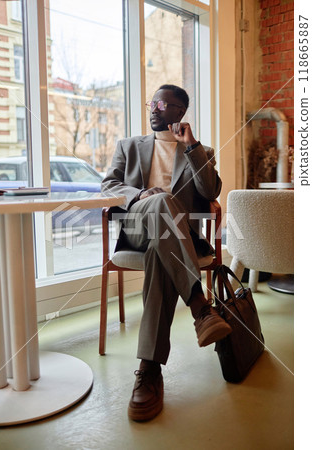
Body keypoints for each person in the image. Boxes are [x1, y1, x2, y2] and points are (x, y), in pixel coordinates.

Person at [101, 84, 231, 422]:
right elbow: (109, 186)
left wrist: (192, 147)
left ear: (179, 112)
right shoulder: (129, 146)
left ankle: (150, 369)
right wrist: (143, 194)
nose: (154, 107)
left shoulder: (200, 151)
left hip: (175, 240)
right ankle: (200, 308)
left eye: (163, 103)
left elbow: (210, 191)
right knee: (158, 203)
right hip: (137, 231)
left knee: (163, 250)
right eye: (152, 102)